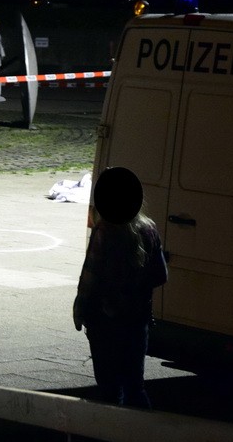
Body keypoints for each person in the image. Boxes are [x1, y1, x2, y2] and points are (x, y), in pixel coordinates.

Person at [72, 167, 168, 408]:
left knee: (109, 387)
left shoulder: (104, 231)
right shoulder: (149, 229)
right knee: (135, 385)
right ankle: (144, 436)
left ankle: (110, 435)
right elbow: (161, 275)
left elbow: (90, 277)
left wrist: (79, 310)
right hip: (137, 319)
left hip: (104, 321)